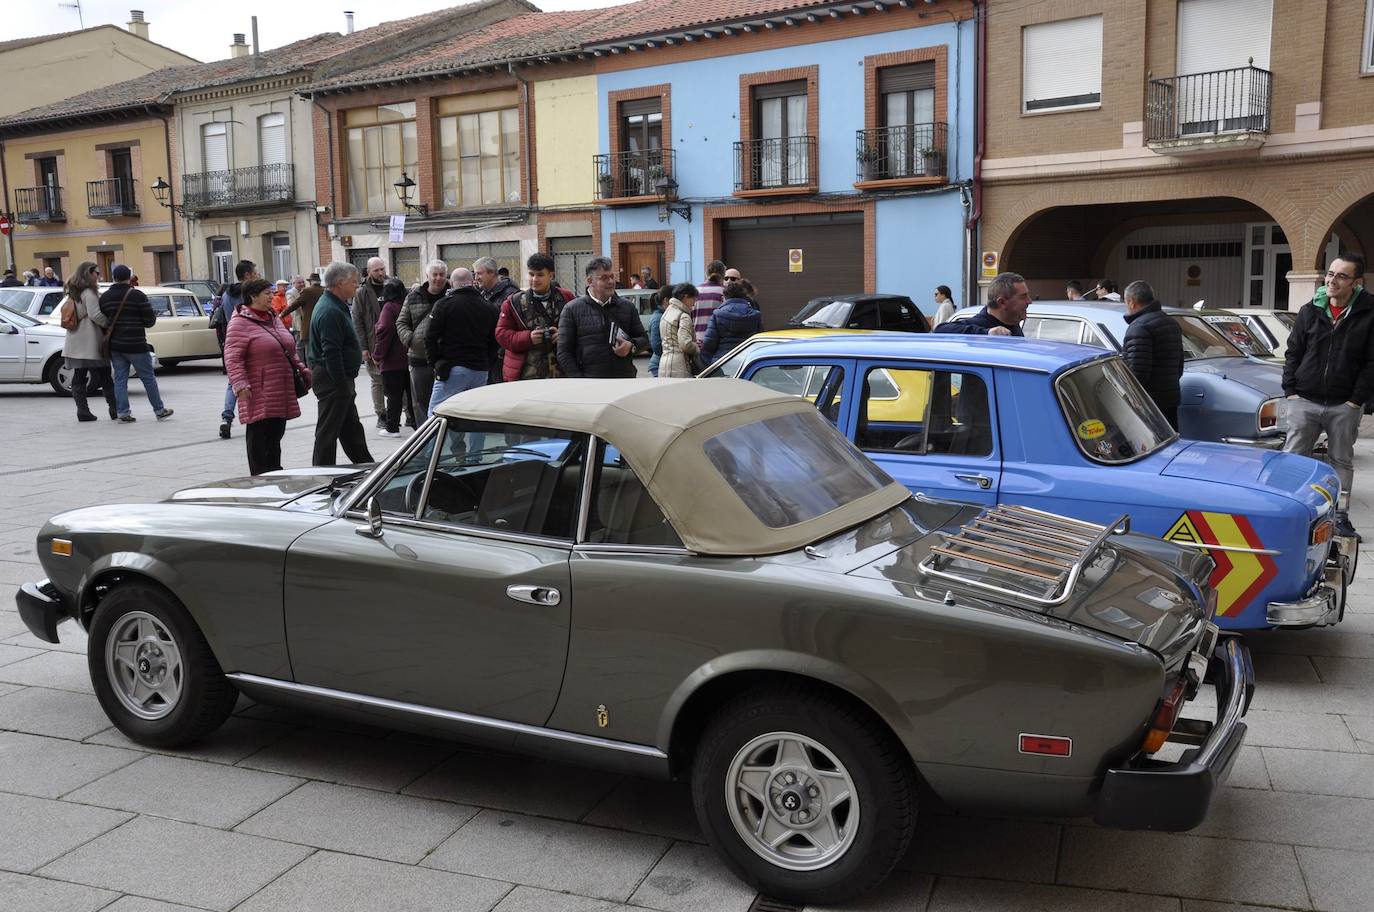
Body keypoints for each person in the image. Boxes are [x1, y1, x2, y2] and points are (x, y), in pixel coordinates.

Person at [1282, 252, 1374, 538]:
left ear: (1356, 282)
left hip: (1344, 404)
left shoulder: (1369, 314)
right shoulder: (1311, 310)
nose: (1332, 281)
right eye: (1330, 274)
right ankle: (1287, 512)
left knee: (1341, 461)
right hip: (1304, 400)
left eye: (1341, 276)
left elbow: (1372, 363)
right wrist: (1291, 391)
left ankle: (1341, 516)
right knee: (1292, 458)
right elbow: (1293, 352)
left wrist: (1355, 401)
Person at [224, 278, 311, 474]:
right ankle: (259, 478)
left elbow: (288, 349)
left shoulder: (272, 317)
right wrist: (240, 384)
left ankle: (275, 474)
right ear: (253, 297)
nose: (272, 296)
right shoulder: (240, 322)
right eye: (267, 293)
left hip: (280, 387)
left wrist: (302, 369)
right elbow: (232, 357)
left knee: (275, 435)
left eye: (272, 292)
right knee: (259, 437)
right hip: (257, 390)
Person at [309, 262, 374, 466]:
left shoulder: (337, 305)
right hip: (333, 379)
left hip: (339, 379)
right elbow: (331, 352)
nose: (357, 285)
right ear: (339, 283)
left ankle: (367, 466)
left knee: (351, 428)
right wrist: (341, 385)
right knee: (328, 431)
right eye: (353, 282)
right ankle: (320, 473)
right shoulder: (330, 311)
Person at [100, 264, 173, 423]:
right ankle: (159, 410)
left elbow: (103, 322)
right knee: (148, 378)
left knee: (120, 379)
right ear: (129, 277)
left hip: (116, 346)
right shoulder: (137, 296)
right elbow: (149, 321)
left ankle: (123, 413)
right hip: (136, 345)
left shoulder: (104, 297)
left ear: (114, 278)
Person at [556, 257, 649, 378]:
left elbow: (644, 340)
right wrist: (580, 380)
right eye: (604, 278)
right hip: (589, 383)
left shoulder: (627, 307)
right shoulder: (572, 309)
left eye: (612, 277)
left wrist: (631, 346)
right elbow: (564, 352)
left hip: (624, 381)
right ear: (590, 281)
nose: (610, 282)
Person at [426, 268, 498, 414]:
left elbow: (429, 337)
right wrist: (486, 362)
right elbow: (495, 341)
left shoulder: (444, 305)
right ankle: (475, 438)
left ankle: (437, 438)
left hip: (452, 368)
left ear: (451, 283)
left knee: (436, 413)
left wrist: (434, 362)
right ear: (472, 282)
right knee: (476, 414)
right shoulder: (489, 307)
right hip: (480, 370)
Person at [495, 252, 573, 382]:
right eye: (531, 274)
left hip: (562, 374)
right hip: (525, 376)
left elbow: (580, 329)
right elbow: (501, 334)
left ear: (551, 275)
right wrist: (528, 338)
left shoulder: (567, 298)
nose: (534, 279)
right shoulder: (513, 302)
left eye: (540, 275)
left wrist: (564, 335)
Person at [1121, 280, 1183, 430]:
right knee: (1170, 444)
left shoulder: (1139, 327)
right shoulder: (1171, 322)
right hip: (1171, 397)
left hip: (1149, 403)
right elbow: (1179, 366)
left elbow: (1137, 373)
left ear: (1131, 302)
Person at [60, 261, 115, 422]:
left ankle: (82, 411)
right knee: (105, 375)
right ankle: (115, 409)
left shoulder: (74, 292)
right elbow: (95, 315)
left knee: (79, 375)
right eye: (96, 273)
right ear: (88, 273)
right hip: (90, 341)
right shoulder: (89, 293)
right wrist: (109, 325)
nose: (98, 276)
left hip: (75, 341)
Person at [398, 260, 449, 418]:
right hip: (419, 359)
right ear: (427, 276)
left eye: (442, 275)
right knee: (421, 402)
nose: (438, 278)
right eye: (435, 274)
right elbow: (401, 322)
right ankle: (425, 438)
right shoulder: (413, 296)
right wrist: (411, 339)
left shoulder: (451, 296)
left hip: (446, 358)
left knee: (446, 403)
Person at [215, 260, 258, 440]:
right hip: (252, 341)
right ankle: (257, 417)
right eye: (255, 273)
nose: (257, 276)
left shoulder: (226, 294)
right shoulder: (250, 294)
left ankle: (226, 418)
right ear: (247, 275)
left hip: (231, 341)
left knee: (233, 382)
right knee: (256, 379)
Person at [372, 277, 414, 437]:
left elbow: (384, 331)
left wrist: (377, 355)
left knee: (393, 395)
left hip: (392, 360)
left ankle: (392, 427)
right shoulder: (407, 304)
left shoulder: (389, 308)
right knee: (411, 396)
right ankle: (417, 424)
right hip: (409, 358)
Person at [352, 256, 389, 430]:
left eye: (382, 269)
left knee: (398, 379)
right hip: (373, 341)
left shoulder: (392, 286)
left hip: (393, 342)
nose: (381, 273)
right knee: (377, 381)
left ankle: (406, 411)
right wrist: (363, 347)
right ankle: (381, 414)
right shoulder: (362, 292)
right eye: (377, 270)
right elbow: (357, 320)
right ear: (369, 272)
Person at [933, 272, 1029, 336]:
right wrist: (986, 333)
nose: (1029, 301)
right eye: (1023, 297)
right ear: (1002, 302)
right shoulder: (980, 324)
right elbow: (940, 329)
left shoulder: (1013, 324)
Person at [474, 256, 518, 384]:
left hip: (501, 357)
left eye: (479, 273)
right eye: (475, 273)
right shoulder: (482, 294)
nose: (476, 278)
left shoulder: (510, 295)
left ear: (492, 273)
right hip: (487, 355)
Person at [702, 281, 763, 365]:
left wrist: (709, 365)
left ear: (725, 297)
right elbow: (759, 340)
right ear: (744, 296)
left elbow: (708, 345)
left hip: (722, 362)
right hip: (747, 362)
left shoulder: (717, 315)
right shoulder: (755, 315)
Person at [658, 284, 701, 378]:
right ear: (685, 297)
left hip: (663, 364)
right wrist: (696, 347)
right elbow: (685, 344)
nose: (694, 304)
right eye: (693, 299)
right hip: (680, 366)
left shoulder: (666, 313)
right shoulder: (683, 316)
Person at [282, 272, 323, 363]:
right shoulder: (324, 290)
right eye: (299, 283)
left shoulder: (307, 291)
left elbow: (293, 306)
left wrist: (281, 315)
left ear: (310, 282)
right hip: (312, 324)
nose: (302, 284)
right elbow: (292, 305)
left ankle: (308, 371)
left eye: (302, 282)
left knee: (308, 351)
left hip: (307, 324)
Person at [693, 260, 726, 346]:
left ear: (706, 273)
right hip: (718, 342)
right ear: (723, 274)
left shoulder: (695, 291)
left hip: (698, 341)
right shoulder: (725, 292)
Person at [647, 288, 666, 377]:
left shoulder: (662, 315)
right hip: (658, 364)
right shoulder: (658, 318)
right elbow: (656, 346)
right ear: (666, 301)